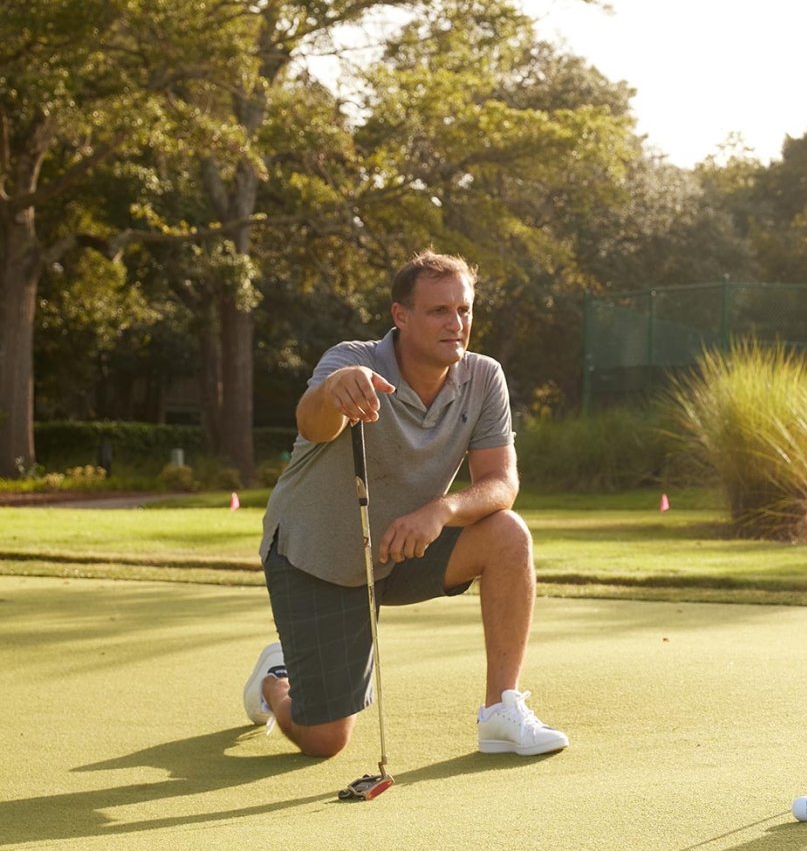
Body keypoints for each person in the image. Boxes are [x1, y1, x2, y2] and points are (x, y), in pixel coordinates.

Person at [241, 251, 568, 758]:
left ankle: (500, 712)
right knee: (325, 740)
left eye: (463, 310)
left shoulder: (484, 377)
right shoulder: (352, 361)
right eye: (439, 311)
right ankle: (275, 679)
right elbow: (313, 425)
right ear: (401, 315)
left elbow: (501, 483)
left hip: (403, 548)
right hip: (316, 557)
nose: (456, 323)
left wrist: (441, 511)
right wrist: (333, 393)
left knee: (508, 533)